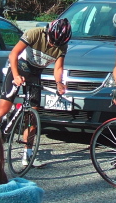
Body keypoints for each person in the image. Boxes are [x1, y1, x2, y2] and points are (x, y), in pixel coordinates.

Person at [4, 20, 71, 154]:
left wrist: (59, 83)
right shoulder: (34, 34)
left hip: (35, 74)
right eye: (52, 41)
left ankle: (28, 153)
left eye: (57, 44)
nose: (53, 45)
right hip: (19, 68)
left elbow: (58, 68)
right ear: (48, 32)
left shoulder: (62, 45)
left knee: (33, 116)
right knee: (2, 109)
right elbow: (13, 54)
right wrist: (16, 76)